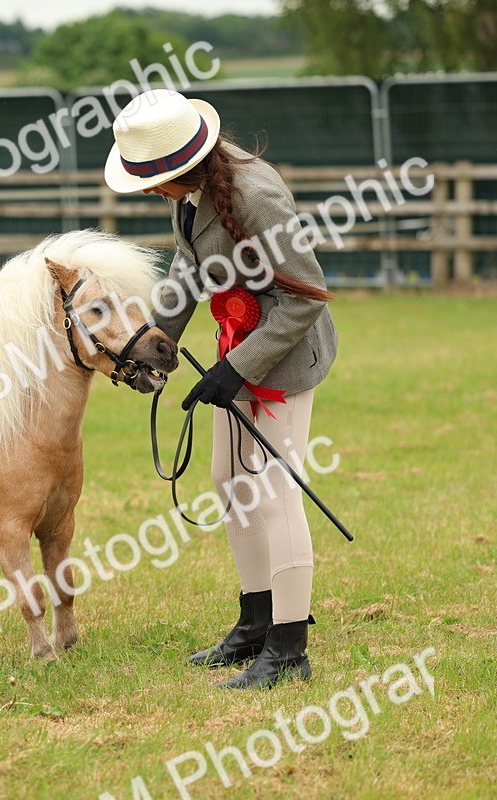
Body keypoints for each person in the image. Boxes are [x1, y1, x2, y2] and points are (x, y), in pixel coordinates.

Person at [105, 89, 338, 689]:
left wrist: (241, 370)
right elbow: (190, 270)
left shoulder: (256, 196)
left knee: (273, 492)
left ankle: (290, 651)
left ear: (181, 165)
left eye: (152, 180)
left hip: (283, 359)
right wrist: (155, 340)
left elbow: (304, 296)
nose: (151, 192)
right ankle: (255, 624)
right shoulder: (192, 195)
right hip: (236, 345)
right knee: (227, 481)